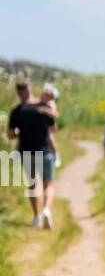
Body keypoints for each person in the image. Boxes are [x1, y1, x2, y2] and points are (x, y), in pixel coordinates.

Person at [6, 77, 58, 229]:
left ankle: (37, 217)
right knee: (48, 184)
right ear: (30, 89)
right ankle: (47, 209)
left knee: (33, 184)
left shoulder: (16, 111)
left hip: (26, 151)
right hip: (45, 150)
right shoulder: (43, 107)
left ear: (18, 93)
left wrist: (18, 132)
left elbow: (11, 135)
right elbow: (53, 129)